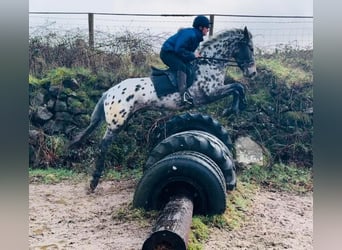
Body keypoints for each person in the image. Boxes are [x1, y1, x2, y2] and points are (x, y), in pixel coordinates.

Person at [160, 15, 211, 105]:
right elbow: (178, 49)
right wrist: (193, 55)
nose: (208, 29)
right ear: (200, 27)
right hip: (167, 53)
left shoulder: (196, 36)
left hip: (175, 54)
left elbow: (186, 52)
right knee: (182, 67)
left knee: (189, 68)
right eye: (207, 27)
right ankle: (183, 95)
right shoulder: (191, 34)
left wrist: (195, 56)